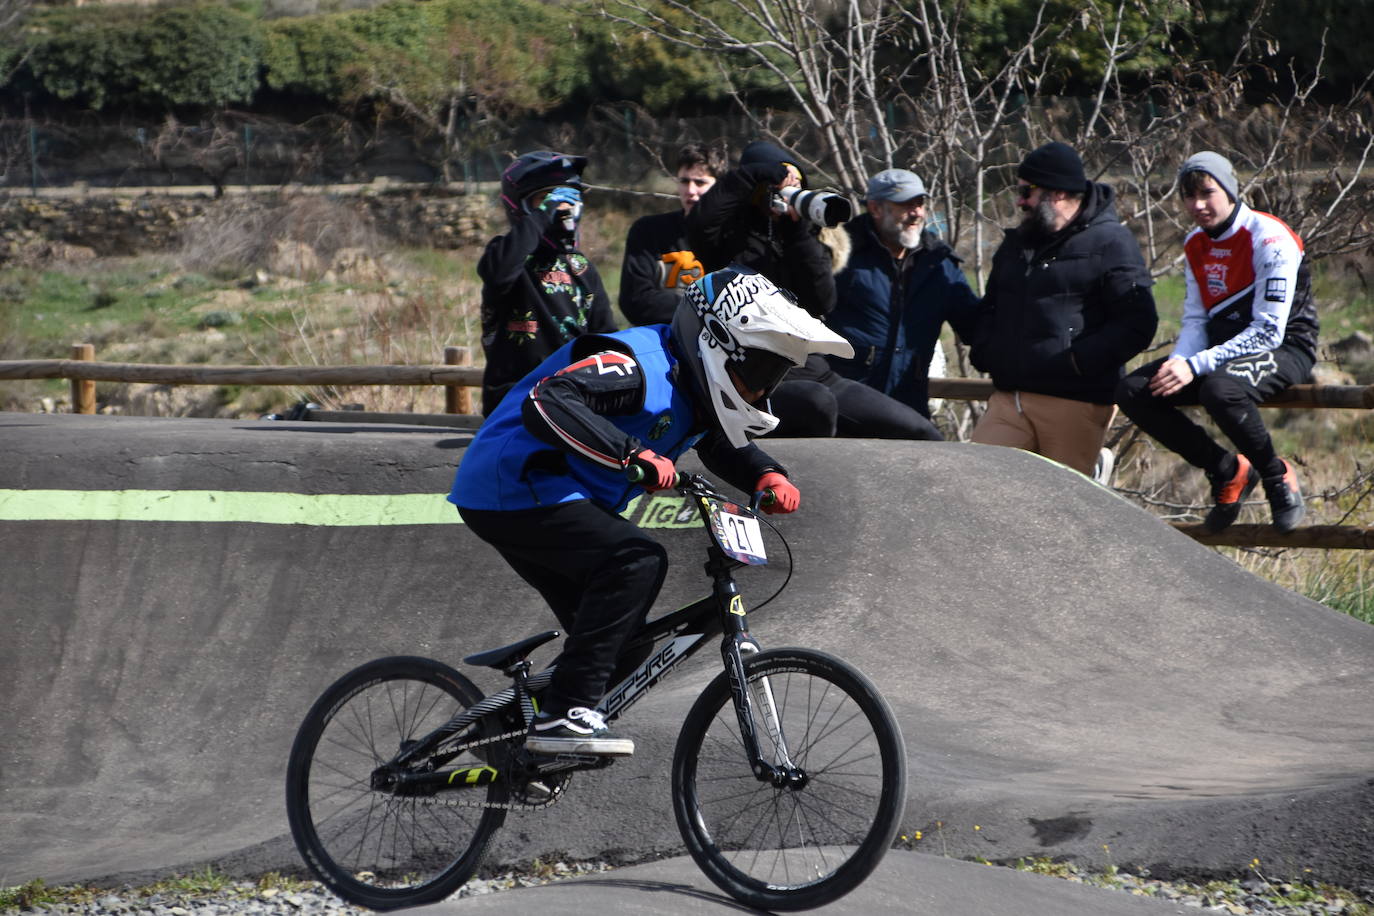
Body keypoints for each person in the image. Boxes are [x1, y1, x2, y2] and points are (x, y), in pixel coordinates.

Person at [449, 266, 854, 756]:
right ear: (715, 343)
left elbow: (716, 441)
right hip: (514, 481)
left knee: (626, 645)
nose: (757, 390)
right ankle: (562, 716)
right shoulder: (638, 365)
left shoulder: (695, 384)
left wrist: (766, 472)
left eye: (773, 376)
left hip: (558, 493)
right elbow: (550, 399)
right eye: (756, 372)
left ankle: (513, 741)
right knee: (635, 559)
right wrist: (629, 452)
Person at [687, 139, 943, 439]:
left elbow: (821, 302)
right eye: (780, 184)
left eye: (796, 182)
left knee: (923, 433)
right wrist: (759, 173)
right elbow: (699, 225)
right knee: (816, 404)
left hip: (814, 372)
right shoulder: (725, 239)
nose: (788, 191)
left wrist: (797, 232)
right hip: (748, 379)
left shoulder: (800, 238)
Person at [1116, 152, 1317, 533]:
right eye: (1189, 197)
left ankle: (1277, 476)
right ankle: (1227, 470)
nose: (1198, 205)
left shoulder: (1271, 239)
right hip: (1218, 349)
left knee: (1219, 390)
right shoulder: (1195, 243)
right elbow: (1195, 319)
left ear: (1230, 189)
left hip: (1284, 346)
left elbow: (1268, 331)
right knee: (1133, 390)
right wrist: (1178, 361)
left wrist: (1194, 366)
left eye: (1208, 193)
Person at [968, 140, 1157, 476]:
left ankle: (1095, 472)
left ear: (1055, 193)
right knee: (973, 486)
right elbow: (991, 306)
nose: (1019, 201)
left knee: (1062, 513)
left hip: (1074, 400)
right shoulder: (1017, 243)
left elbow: (1138, 323)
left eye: (1027, 191)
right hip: (1009, 398)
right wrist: (985, 350)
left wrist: (1076, 361)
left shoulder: (1111, 243)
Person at [826, 167, 981, 420]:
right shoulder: (841, 253)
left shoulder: (939, 263)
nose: (916, 213)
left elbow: (976, 328)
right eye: (906, 204)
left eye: (920, 203)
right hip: (844, 405)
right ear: (875, 208)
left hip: (907, 405)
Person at [477, 150, 618, 416]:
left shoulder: (582, 268)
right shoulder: (505, 254)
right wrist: (544, 215)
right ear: (522, 208)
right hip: (513, 402)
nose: (561, 209)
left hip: (571, 402)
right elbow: (498, 273)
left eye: (567, 199)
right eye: (545, 199)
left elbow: (605, 337)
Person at [618, 144, 726, 325]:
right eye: (684, 181)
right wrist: (706, 309)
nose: (690, 191)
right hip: (661, 340)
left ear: (719, 186)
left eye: (700, 183)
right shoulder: (648, 231)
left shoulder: (735, 235)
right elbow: (634, 300)